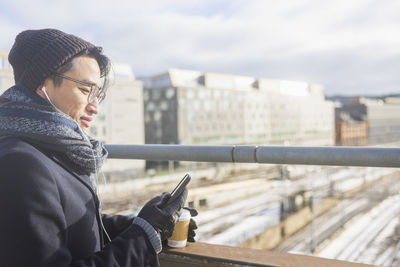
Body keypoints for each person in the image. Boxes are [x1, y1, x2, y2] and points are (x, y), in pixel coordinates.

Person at [0, 28, 197, 267]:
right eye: (85, 90)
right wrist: (145, 236)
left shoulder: (48, 149)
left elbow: (69, 225)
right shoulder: (20, 163)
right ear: (43, 85)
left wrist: (149, 223)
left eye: (98, 94)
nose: (95, 107)